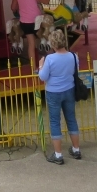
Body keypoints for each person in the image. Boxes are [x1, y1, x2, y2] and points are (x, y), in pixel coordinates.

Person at [38, 29, 82, 164]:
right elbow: (76, 71)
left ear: (53, 44)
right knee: (71, 118)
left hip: (53, 92)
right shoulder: (73, 56)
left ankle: (58, 154)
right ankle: (76, 149)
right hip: (69, 90)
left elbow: (43, 77)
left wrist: (40, 66)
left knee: (55, 121)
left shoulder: (49, 59)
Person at [11, 0, 51, 68]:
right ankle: (53, 63)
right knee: (49, 34)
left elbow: (13, 7)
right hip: (36, 22)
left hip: (25, 23)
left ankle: (34, 69)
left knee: (31, 44)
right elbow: (45, 1)